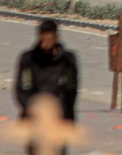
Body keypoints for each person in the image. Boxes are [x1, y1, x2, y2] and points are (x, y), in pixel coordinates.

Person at [14, 19, 79, 155]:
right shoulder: (28, 59)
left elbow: (71, 89)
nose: (46, 42)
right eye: (44, 38)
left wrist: (68, 116)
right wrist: (29, 108)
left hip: (59, 118)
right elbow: (22, 87)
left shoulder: (67, 60)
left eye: (50, 38)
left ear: (56, 37)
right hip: (35, 119)